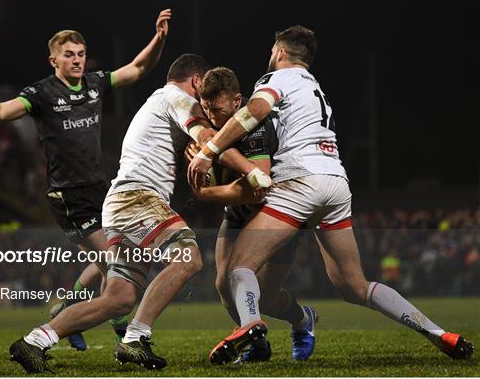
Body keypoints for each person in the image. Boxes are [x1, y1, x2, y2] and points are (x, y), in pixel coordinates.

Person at [188, 26, 475, 364]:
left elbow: (254, 112)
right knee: (354, 286)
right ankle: (438, 332)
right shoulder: (313, 86)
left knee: (240, 267)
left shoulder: (277, 79)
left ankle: (251, 325)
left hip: (299, 182)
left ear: (280, 51)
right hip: (336, 183)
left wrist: (208, 151)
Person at [7, 54, 272, 373]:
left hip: (122, 201)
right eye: (203, 95)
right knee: (189, 258)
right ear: (197, 82)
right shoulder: (176, 97)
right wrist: (251, 171)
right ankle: (136, 338)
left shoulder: (159, 102)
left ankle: (33, 342)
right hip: (138, 197)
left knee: (118, 299)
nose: (204, 104)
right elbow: (208, 139)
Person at [0, 10, 172, 351]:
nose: (76, 60)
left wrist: (159, 39)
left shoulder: (94, 83)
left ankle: (69, 308)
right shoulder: (41, 93)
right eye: (69, 55)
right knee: (116, 268)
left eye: (80, 54)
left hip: (100, 189)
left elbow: (137, 69)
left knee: (115, 259)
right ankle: (117, 328)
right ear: (53, 60)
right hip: (68, 196)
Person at [186, 67, 317, 363]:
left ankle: (302, 319)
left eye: (217, 110)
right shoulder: (215, 125)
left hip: (278, 210)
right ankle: (256, 342)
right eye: (206, 109)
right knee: (223, 284)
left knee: (268, 298)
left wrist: (206, 192)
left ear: (236, 102)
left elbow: (257, 187)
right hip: (237, 213)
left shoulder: (255, 125)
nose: (212, 117)